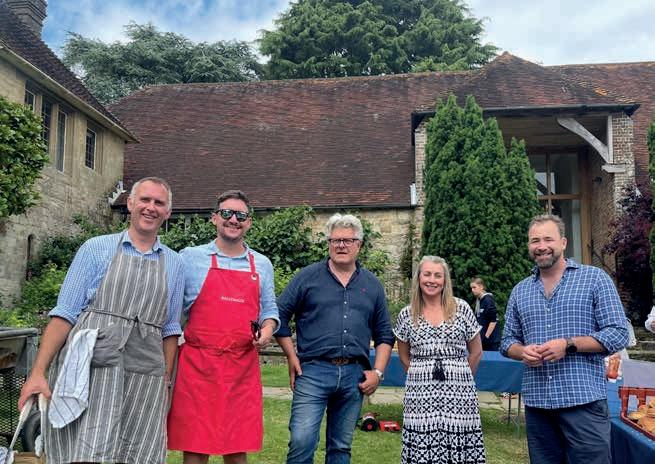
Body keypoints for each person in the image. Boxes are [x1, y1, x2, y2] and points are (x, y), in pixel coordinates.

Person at [17, 177, 184, 464]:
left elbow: (169, 329)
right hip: (92, 369)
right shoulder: (95, 248)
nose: (150, 207)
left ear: (168, 212)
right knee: (85, 449)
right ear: (130, 204)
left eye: (159, 203)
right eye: (144, 200)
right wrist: (38, 373)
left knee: (137, 451)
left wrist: (165, 381)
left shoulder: (175, 263)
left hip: (145, 375)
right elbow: (65, 313)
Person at [501, 214, 629, 464]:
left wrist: (569, 345)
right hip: (538, 405)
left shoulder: (594, 279)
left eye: (548, 239)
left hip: (583, 403)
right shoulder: (520, 291)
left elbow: (618, 333)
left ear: (563, 242)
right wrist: (522, 351)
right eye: (535, 240)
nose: (541, 246)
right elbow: (507, 341)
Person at [167, 190, 279, 464]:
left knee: (237, 447)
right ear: (214, 218)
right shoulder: (189, 258)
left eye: (240, 215)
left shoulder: (262, 264)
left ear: (249, 222)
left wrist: (266, 331)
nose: (233, 219)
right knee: (195, 447)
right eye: (227, 213)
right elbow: (171, 311)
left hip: (241, 368)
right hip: (197, 367)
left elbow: (269, 311)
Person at [276, 213, 394, 464]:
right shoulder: (307, 277)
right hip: (312, 372)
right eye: (335, 240)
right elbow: (278, 316)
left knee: (341, 447)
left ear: (359, 245)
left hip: (354, 376)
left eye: (347, 240)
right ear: (328, 243)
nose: (341, 245)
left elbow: (384, 333)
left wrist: (378, 373)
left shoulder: (372, 284)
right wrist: (291, 356)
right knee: (301, 442)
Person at [395, 256, 486, 464]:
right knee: (422, 444)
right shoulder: (407, 314)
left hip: (459, 392)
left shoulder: (461, 308)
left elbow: (476, 351)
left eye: (438, 275)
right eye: (427, 274)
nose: (432, 280)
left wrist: (461, 376)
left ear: (445, 280)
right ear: (419, 278)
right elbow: (403, 355)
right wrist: (420, 374)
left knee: (458, 442)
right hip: (419, 392)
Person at [470, 277, 500, 351]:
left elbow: (493, 320)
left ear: (481, 287)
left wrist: (486, 337)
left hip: (491, 342)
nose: (472, 290)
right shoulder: (479, 301)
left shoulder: (488, 300)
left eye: (474, 287)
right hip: (483, 341)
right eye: (471, 288)